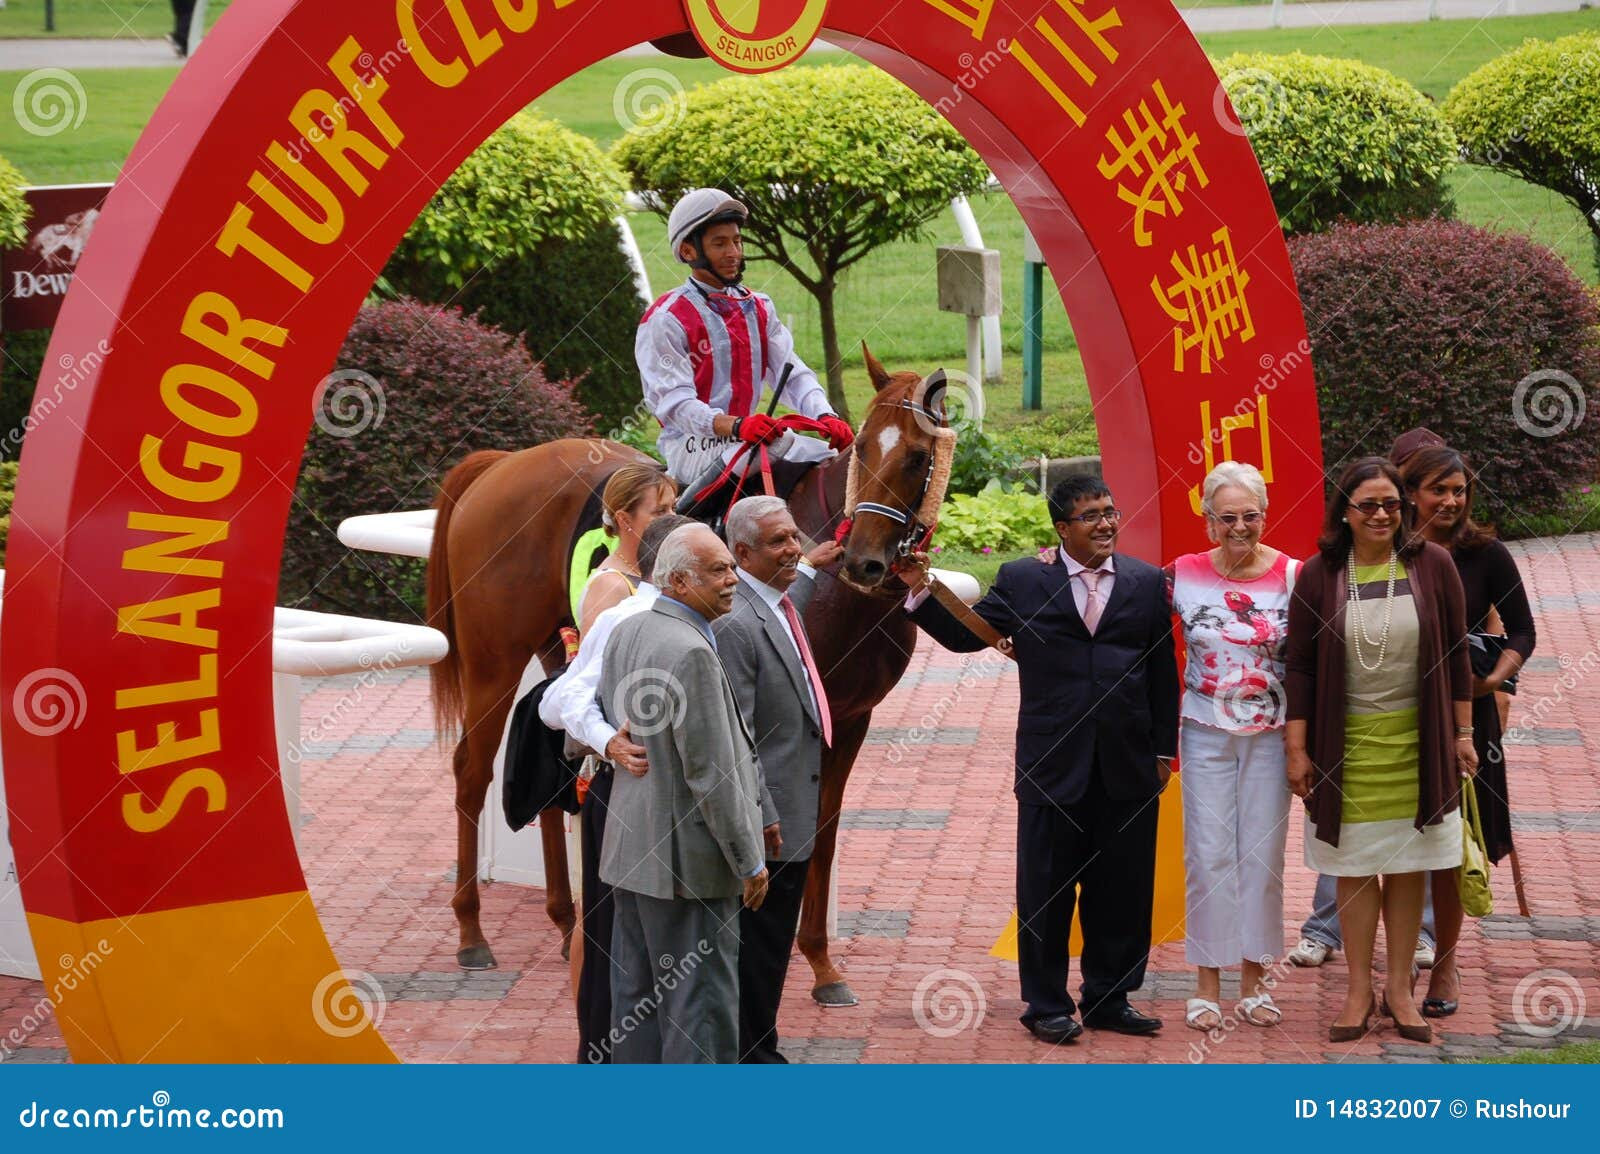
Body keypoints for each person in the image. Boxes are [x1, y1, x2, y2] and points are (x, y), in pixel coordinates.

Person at [905, 475, 1179, 1042]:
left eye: (1110, 511)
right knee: (1047, 892)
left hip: (1129, 765)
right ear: (1061, 528)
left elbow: (1161, 672)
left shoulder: (1147, 582)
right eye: (1090, 516)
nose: (1106, 523)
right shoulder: (1025, 579)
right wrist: (919, 590)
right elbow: (968, 637)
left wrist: (1162, 751)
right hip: (1053, 765)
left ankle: (1110, 996)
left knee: (1123, 890)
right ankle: (1046, 1004)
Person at [1285, 457, 1475, 1045]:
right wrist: (1297, 748)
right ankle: (1358, 992)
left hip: (1418, 743)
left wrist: (1463, 734)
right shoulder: (1319, 574)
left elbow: (1457, 655)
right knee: (1355, 867)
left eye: (1391, 504)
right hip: (1347, 747)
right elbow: (1300, 665)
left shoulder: (1433, 564)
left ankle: (1398, 989)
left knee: (1411, 865)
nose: (1381, 514)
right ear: (1344, 510)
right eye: (1368, 504)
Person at [598, 524, 770, 1063]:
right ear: (676, 582)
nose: (734, 579)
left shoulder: (629, 630)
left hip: (631, 854)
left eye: (730, 566)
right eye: (718, 571)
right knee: (700, 1016)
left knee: (637, 1009)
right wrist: (750, 861)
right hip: (688, 869)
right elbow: (711, 773)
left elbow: (611, 719)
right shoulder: (690, 649)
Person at [540, 513, 694, 1063]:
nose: (726, 574)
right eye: (712, 563)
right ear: (677, 569)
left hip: (690, 814)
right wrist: (609, 741)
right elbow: (558, 701)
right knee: (614, 937)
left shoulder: (716, 616)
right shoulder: (624, 615)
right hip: (628, 803)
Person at [1399, 440, 1535, 1019]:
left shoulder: (1486, 554)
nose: (1452, 501)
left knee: (1455, 843)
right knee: (1397, 841)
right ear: (1411, 493)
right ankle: (1399, 961)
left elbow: (1524, 632)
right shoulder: (1387, 550)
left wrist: (1491, 683)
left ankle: (1446, 961)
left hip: (1464, 717)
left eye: (1460, 491)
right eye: (1439, 490)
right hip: (1393, 713)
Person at [712, 496, 843, 1062]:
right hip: (771, 821)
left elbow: (786, 599)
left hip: (791, 812)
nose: (793, 548)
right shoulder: (738, 623)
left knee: (769, 947)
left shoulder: (777, 600)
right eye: (778, 542)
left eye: (794, 536)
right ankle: (753, 1055)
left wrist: (812, 563)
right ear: (740, 553)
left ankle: (757, 1046)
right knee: (760, 949)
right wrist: (762, 814)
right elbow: (737, 735)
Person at [1166, 462, 1294, 1031]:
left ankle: (1257, 982)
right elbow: (1120, 604)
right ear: (1208, 519)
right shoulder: (1182, 574)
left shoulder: (1294, 575)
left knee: (1261, 859)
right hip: (1203, 729)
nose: (1239, 527)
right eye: (1227, 517)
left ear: (1265, 516)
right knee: (1208, 854)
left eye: (1250, 516)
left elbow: (1314, 660)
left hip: (1270, 733)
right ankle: (1206, 984)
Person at [637, 188, 853, 507]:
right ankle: (678, 520)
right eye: (719, 243)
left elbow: (793, 376)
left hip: (745, 439)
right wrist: (736, 425)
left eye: (737, 241)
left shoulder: (759, 307)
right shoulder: (666, 318)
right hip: (690, 445)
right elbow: (676, 404)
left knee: (837, 459)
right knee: (774, 446)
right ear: (687, 251)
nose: (733, 252)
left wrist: (825, 414)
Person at [576, 465, 677, 631]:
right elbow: (597, 656)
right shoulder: (610, 586)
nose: (673, 518)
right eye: (660, 511)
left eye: (674, 508)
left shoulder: (655, 568)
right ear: (624, 520)